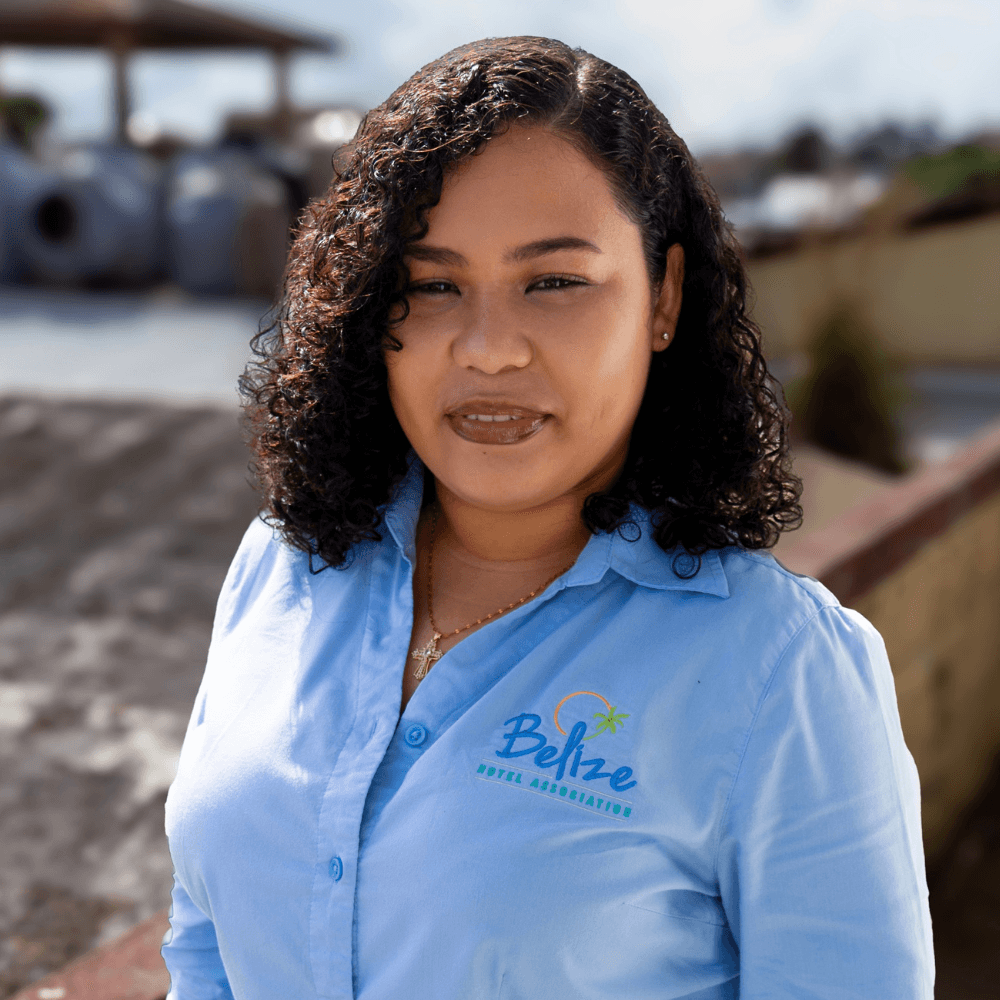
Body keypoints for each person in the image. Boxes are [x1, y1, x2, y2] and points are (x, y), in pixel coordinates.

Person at [162, 36, 934, 999]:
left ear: (664, 297)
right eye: (432, 285)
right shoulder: (281, 567)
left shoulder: (783, 675)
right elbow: (204, 943)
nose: (487, 349)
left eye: (555, 282)